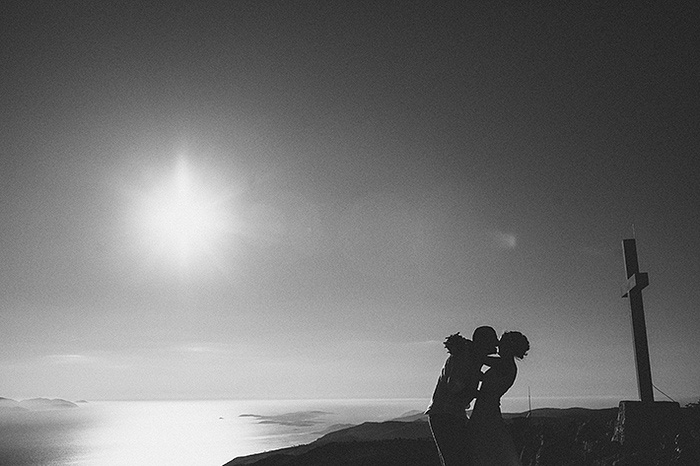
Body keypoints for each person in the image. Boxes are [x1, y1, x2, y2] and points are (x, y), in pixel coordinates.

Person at [426, 326, 499, 466]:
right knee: (456, 460)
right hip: (445, 415)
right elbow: (454, 386)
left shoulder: (470, 356)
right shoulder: (463, 357)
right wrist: (481, 394)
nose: (495, 345)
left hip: (451, 414)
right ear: (484, 343)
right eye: (492, 342)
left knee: (457, 459)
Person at [468, 331, 530, 466]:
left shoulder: (505, 364)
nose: (497, 344)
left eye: (500, 342)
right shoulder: (507, 365)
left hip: (486, 412)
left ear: (508, 346)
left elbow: (480, 358)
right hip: (487, 410)